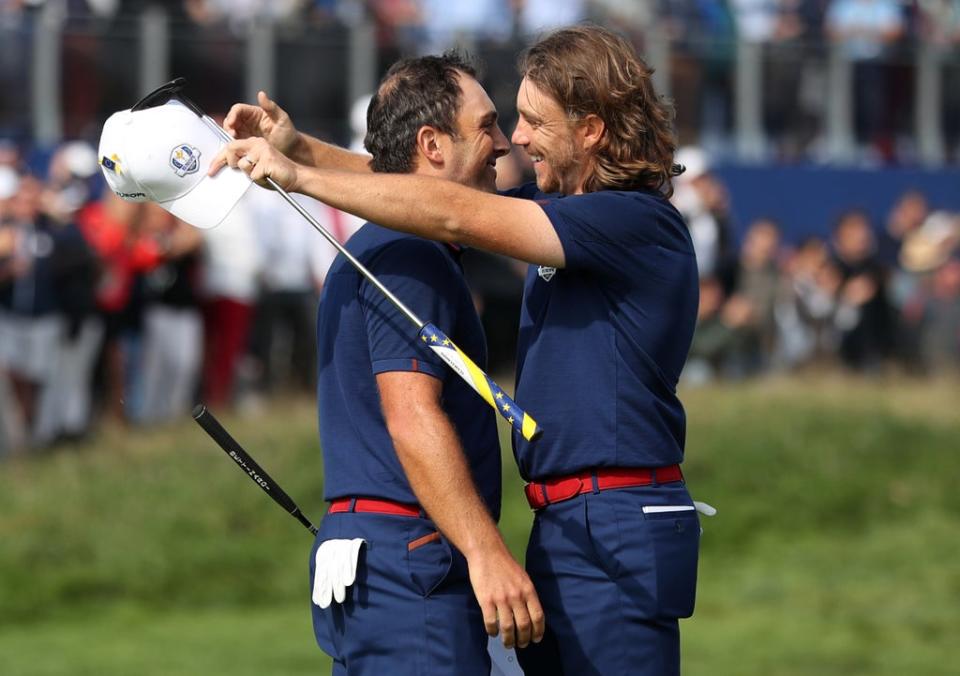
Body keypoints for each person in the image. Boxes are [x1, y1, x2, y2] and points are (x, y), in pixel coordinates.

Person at [214, 25, 701, 675]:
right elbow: (431, 189)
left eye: (531, 121)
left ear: (590, 131)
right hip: (572, 523)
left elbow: (450, 209)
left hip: (613, 523)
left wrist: (299, 176)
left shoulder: (634, 222)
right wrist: (301, 150)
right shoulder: (567, 217)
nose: (516, 141)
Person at [228, 52, 544, 673]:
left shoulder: (380, 243)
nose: (505, 144)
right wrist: (486, 553)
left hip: (377, 562)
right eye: (486, 126)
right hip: (411, 565)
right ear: (431, 144)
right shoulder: (412, 253)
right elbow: (411, 415)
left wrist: (302, 151)